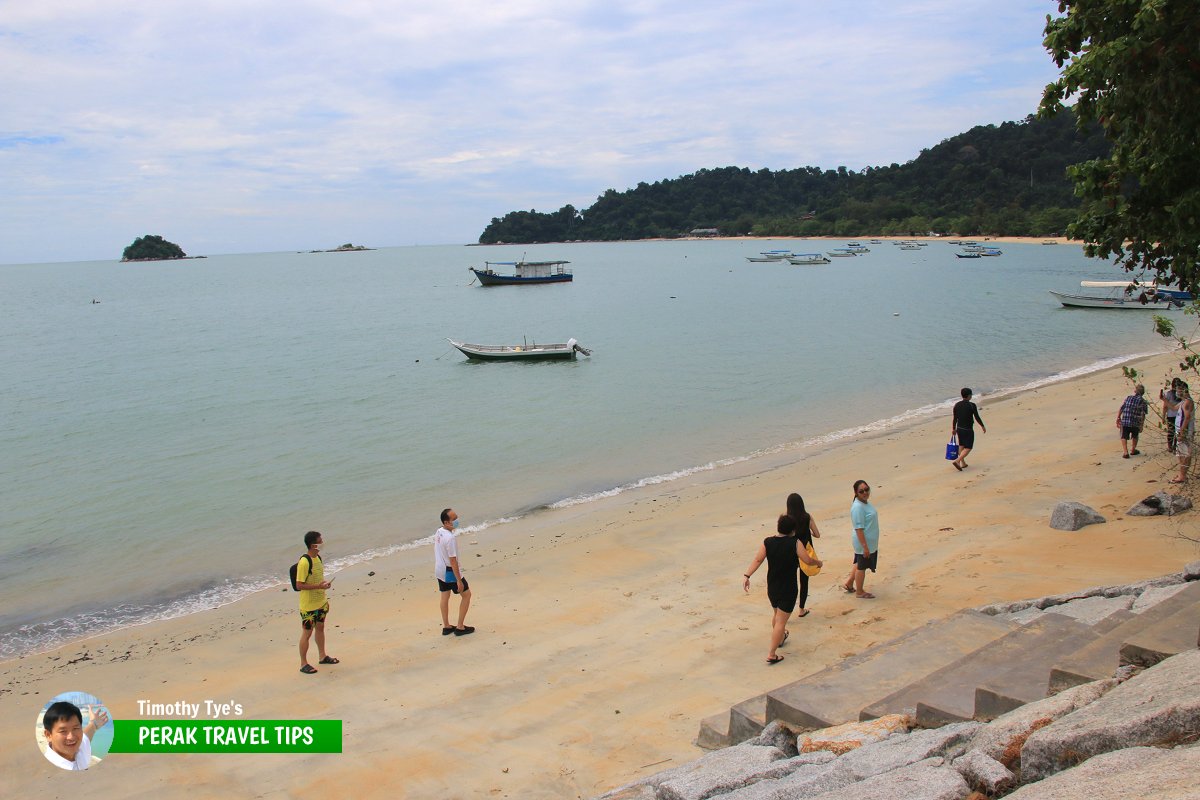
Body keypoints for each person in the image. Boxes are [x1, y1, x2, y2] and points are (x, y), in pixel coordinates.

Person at [743, 514, 823, 664]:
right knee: (780, 621)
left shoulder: (768, 542)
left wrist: (747, 575)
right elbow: (807, 559)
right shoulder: (795, 543)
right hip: (788, 587)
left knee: (777, 615)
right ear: (793, 530)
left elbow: (758, 559)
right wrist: (818, 563)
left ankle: (780, 639)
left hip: (773, 586)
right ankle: (772, 654)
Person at [296, 530, 337, 674]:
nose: (322, 543)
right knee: (306, 633)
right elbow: (299, 585)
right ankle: (303, 664)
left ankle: (322, 656)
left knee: (320, 628)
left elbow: (317, 579)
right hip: (308, 607)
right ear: (313, 544)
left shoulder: (318, 558)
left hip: (321, 602)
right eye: (320, 541)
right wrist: (319, 586)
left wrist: (324, 585)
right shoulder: (304, 562)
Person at [436, 508, 474, 636]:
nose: (457, 521)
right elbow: (453, 561)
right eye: (454, 519)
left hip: (439, 570)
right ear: (446, 523)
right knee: (467, 595)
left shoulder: (439, 531)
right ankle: (460, 627)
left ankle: (446, 626)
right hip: (449, 572)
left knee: (444, 596)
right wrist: (459, 580)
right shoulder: (450, 538)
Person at [42, 700, 109, 770]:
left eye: (76, 728)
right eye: (63, 731)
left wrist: (94, 723)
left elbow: (86, 735)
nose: (71, 737)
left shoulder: (80, 748)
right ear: (48, 735)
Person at [785, 492, 822, 617]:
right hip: (805, 553)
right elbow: (817, 534)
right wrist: (809, 534)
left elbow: (783, 535)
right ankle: (801, 609)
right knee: (804, 581)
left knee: (790, 582)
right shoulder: (807, 517)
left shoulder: (787, 518)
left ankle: (786, 611)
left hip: (791, 551)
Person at [842, 480, 879, 599]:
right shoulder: (857, 507)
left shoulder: (864, 503)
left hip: (867, 542)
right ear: (856, 493)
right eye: (861, 491)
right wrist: (865, 547)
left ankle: (849, 583)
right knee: (861, 567)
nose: (865, 493)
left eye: (867, 489)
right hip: (863, 542)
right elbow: (859, 529)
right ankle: (859, 591)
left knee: (859, 562)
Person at [950, 388, 986, 471]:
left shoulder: (957, 405)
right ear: (969, 395)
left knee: (961, 445)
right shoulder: (972, 405)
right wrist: (982, 426)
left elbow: (955, 418)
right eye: (971, 394)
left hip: (959, 429)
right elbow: (977, 417)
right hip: (968, 429)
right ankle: (957, 461)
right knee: (968, 447)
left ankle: (962, 463)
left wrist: (953, 428)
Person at [1116, 384, 1149, 458]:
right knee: (1135, 435)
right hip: (1135, 422)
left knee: (1123, 435)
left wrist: (1118, 418)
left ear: (1135, 391)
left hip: (1125, 421)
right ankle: (1133, 450)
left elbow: (1122, 408)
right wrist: (1141, 425)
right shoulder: (1143, 402)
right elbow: (1143, 414)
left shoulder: (1129, 398)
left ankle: (1125, 452)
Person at [1171, 382, 1194, 484]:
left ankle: (1182, 476)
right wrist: (1163, 399)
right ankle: (1182, 474)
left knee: (1184, 454)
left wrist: (1181, 432)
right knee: (1181, 454)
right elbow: (1173, 408)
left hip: (1184, 431)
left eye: (1179, 390)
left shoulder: (1187, 402)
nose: (1177, 392)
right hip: (1181, 430)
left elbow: (1187, 417)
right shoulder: (1184, 402)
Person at [1162, 378, 1183, 453]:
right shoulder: (1181, 394)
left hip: (1171, 415)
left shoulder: (1169, 394)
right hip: (1180, 415)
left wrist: (1163, 417)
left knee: (1171, 431)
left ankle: (1170, 446)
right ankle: (1175, 446)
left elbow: (1165, 407)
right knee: (1178, 431)